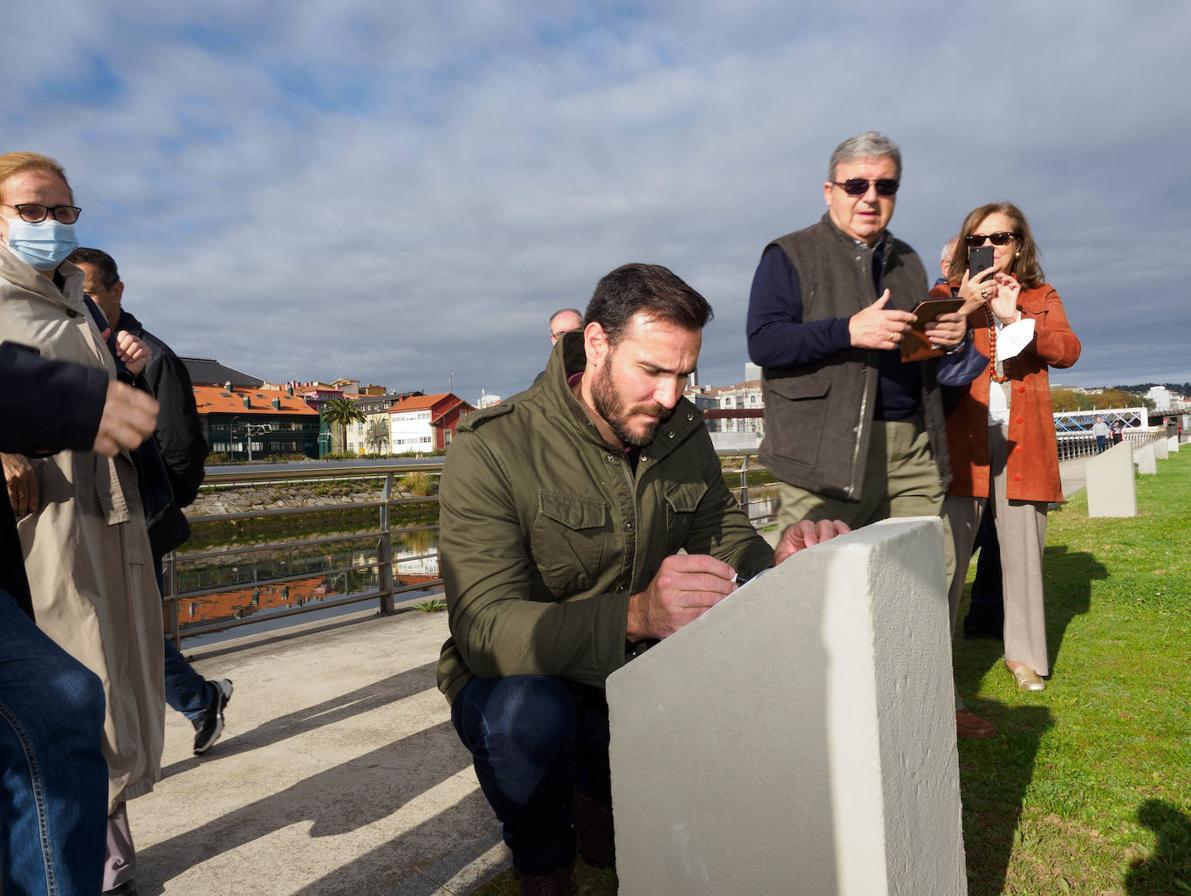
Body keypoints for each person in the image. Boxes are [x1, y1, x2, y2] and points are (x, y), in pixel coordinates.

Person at [438, 263, 848, 896]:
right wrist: (637, 616)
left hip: (630, 671)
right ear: (596, 344)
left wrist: (776, 563)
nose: (668, 396)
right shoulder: (494, 445)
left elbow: (723, 533)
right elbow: (483, 628)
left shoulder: (680, 432)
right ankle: (544, 862)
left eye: (683, 375)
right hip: (528, 676)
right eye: (652, 371)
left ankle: (598, 795)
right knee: (526, 719)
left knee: (660, 800)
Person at [745, 131, 995, 739]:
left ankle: (930, 701)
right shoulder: (789, 254)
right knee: (815, 587)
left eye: (884, 186)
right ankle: (816, 719)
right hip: (822, 454)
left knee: (928, 579)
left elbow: (918, 347)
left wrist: (946, 340)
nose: (869, 196)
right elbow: (765, 341)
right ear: (829, 189)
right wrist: (847, 331)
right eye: (856, 184)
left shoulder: (907, 260)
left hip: (912, 441)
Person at [0, 151, 166, 894]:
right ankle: (91, 866)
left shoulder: (75, 298)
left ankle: (106, 855)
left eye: (64, 211)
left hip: (107, 514)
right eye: (31, 210)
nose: (51, 225)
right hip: (44, 518)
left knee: (113, 680)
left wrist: (123, 373)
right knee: (71, 686)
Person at [70, 247, 233, 755]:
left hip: (136, 519)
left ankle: (196, 702)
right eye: (73, 295)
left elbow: (183, 447)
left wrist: (155, 509)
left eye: (91, 293)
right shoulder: (78, 349)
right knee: (112, 627)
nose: (82, 304)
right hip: (89, 516)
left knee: (131, 628)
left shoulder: (152, 357)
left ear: (117, 293)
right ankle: (200, 699)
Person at [934, 201, 1081, 692]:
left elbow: (1067, 351)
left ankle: (1024, 656)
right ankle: (936, 664)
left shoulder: (1040, 294)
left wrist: (1016, 315)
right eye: (977, 240)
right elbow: (919, 351)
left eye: (1000, 238)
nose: (989, 248)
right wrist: (968, 307)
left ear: (1019, 243)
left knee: (1022, 552)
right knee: (949, 558)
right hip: (962, 441)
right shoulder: (946, 293)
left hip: (1024, 443)